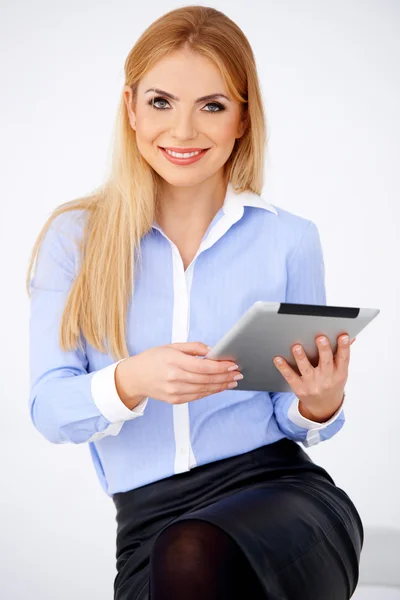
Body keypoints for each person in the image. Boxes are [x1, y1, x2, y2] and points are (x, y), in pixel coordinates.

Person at [26, 5, 364, 600]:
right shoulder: (74, 240)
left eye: (211, 106)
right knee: (185, 551)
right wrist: (132, 379)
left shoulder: (289, 237)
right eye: (161, 102)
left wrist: (320, 403)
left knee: (197, 551)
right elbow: (50, 410)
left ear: (242, 118)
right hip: (150, 522)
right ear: (130, 109)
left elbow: (296, 414)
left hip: (279, 495)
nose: (183, 132)